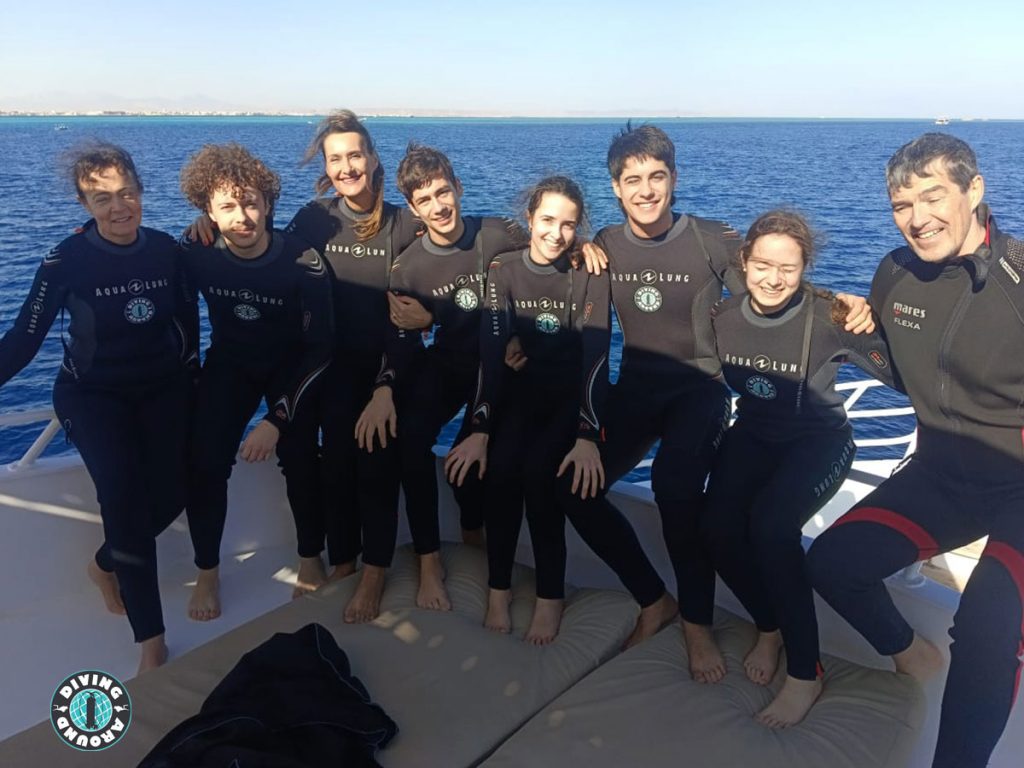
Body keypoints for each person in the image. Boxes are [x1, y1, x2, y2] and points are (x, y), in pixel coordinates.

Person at [581, 123, 874, 679]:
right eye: (633, 179)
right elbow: (585, 325)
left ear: (673, 179)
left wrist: (839, 304)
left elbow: (771, 290)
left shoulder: (710, 239)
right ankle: (653, 600)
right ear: (615, 187)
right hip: (636, 390)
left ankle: (697, 625)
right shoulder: (604, 249)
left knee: (676, 489)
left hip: (700, 390)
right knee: (574, 491)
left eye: (657, 177)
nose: (645, 190)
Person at [807, 133, 1024, 768]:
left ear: (974, 190)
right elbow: (911, 373)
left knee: (988, 627)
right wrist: (860, 337)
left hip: (1020, 484)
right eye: (902, 204)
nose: (919, 218)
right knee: (832, 562)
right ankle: (910, 654)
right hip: (943, 475)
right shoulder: (894, 273)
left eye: (934, 196)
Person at [189, 110, 424, 622]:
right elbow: (255, 236)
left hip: (382, 364)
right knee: (331, 459)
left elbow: (466, 254)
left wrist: (430, 322)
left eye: (354, 155)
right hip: (328, 366)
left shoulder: (406, 223)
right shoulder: (313, 219)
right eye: (335, 158)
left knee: (370, 456)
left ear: (373, 157)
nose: (346, 166)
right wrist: (209, 220)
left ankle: (364, 569)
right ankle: (331, 562)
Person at [444, 176, 669, 645]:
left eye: (569, 225)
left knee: (541, 477)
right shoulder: (503, 270)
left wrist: (588, 435)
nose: (556, 233)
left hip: (573, 397)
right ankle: (499, 588)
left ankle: (550, 596)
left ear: (578, 229)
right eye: (547, 220)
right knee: (500, 472)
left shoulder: (588, 273)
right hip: (521, 393)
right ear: (530, 219)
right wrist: (480, 427)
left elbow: (595, 357)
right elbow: (490, 355)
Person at [0, 142, 198, 673]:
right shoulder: (65, 261)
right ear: (84, 203)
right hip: (92, 394)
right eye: (102, 197)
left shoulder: (166, 251)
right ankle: (151, 641)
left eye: (127, 192)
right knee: (123, 498)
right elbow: (23, 339)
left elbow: (187, 329)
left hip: (159, 389)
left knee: (179, 489)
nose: (119, 206)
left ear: (141, 190)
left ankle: (106, 563)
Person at [701, 210, 894, 727]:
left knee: (771, 527)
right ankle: (769, 626)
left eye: (788, 269)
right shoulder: (724, 317)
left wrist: (871, 314)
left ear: (805, 268)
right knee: (715, 526)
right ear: (744, 262)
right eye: (762, 264)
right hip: (755, 434)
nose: (772, 278)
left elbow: (904, 369)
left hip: (820, 441)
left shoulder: (829, 316)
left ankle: (806, 673)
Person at [358, 143, 527, 612]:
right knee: (408, 441)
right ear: (413, 209)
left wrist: (525, 340)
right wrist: (385, 387)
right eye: (426, 199)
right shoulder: (409, 266)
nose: (439, 205)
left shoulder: (499, 234)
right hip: (451, 363)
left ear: (458, 188)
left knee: (478, 462)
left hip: (502, 368)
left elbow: (549, 276)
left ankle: (476, 535)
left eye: (443, 191)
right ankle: (429, 561)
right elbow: (400, 337)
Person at [178, 143, 333, 621]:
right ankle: (207, 571)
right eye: (227, 206)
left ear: (267, 204)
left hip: (292, 368)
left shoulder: (302, 261)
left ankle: (311, 557)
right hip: (231, 365)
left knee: (302, 459)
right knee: (205, 465)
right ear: (208, 211)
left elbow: (321, 348)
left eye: (250, 202)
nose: (242, 216)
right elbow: (179, 321)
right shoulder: (195, 253)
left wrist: (277, 419)